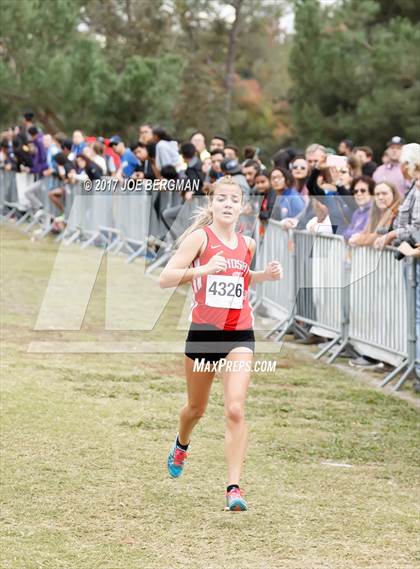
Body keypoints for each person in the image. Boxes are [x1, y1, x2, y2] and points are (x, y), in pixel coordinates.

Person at [159, 175, 283, 511]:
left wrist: (264, 276)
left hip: (239, 334)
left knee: (235, 408)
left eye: (234, 199)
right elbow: (165, 278)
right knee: (195, 409)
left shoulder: (248, 245)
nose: (228, 204)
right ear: (211, 203)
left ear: (243, 207)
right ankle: (181, 443)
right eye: (221, 198)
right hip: (203, 335)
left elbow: (238, 278)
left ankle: (234, 488)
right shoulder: (200, 238)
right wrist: (202, 270)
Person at [348, 181, 400, 247]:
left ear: (394, 195)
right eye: (377, 194)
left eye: (384, 193)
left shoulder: (398, 213)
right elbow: (365, 232)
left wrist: (359, 239)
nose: (380, 197)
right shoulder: (374, 213)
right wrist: (357, 237)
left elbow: (381, 236)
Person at [343, 176, 375, 241]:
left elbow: (365, 234)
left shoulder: (375, 211)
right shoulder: (357, 212)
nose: (359, 193)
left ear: (371, 193)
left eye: (363, 191)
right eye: (356, 191)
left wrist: (352, 234)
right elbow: (345, 233)